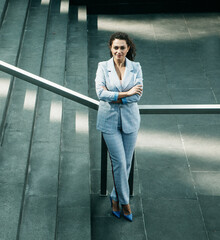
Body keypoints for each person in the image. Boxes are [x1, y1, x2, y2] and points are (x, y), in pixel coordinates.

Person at [95, 32, 143, 222]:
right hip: (109, 122)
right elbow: (100, 93)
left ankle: (114, 197)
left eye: (122, 47)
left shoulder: (136, 67)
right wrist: (126, 94)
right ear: (110, 48)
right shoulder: (102, 67)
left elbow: (137, 96)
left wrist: (115, 96)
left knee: (127, 162)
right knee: (120, 163)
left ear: (128, 48)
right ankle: (125, 203)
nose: (119, 51)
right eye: (115, 47)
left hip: (130, 121)